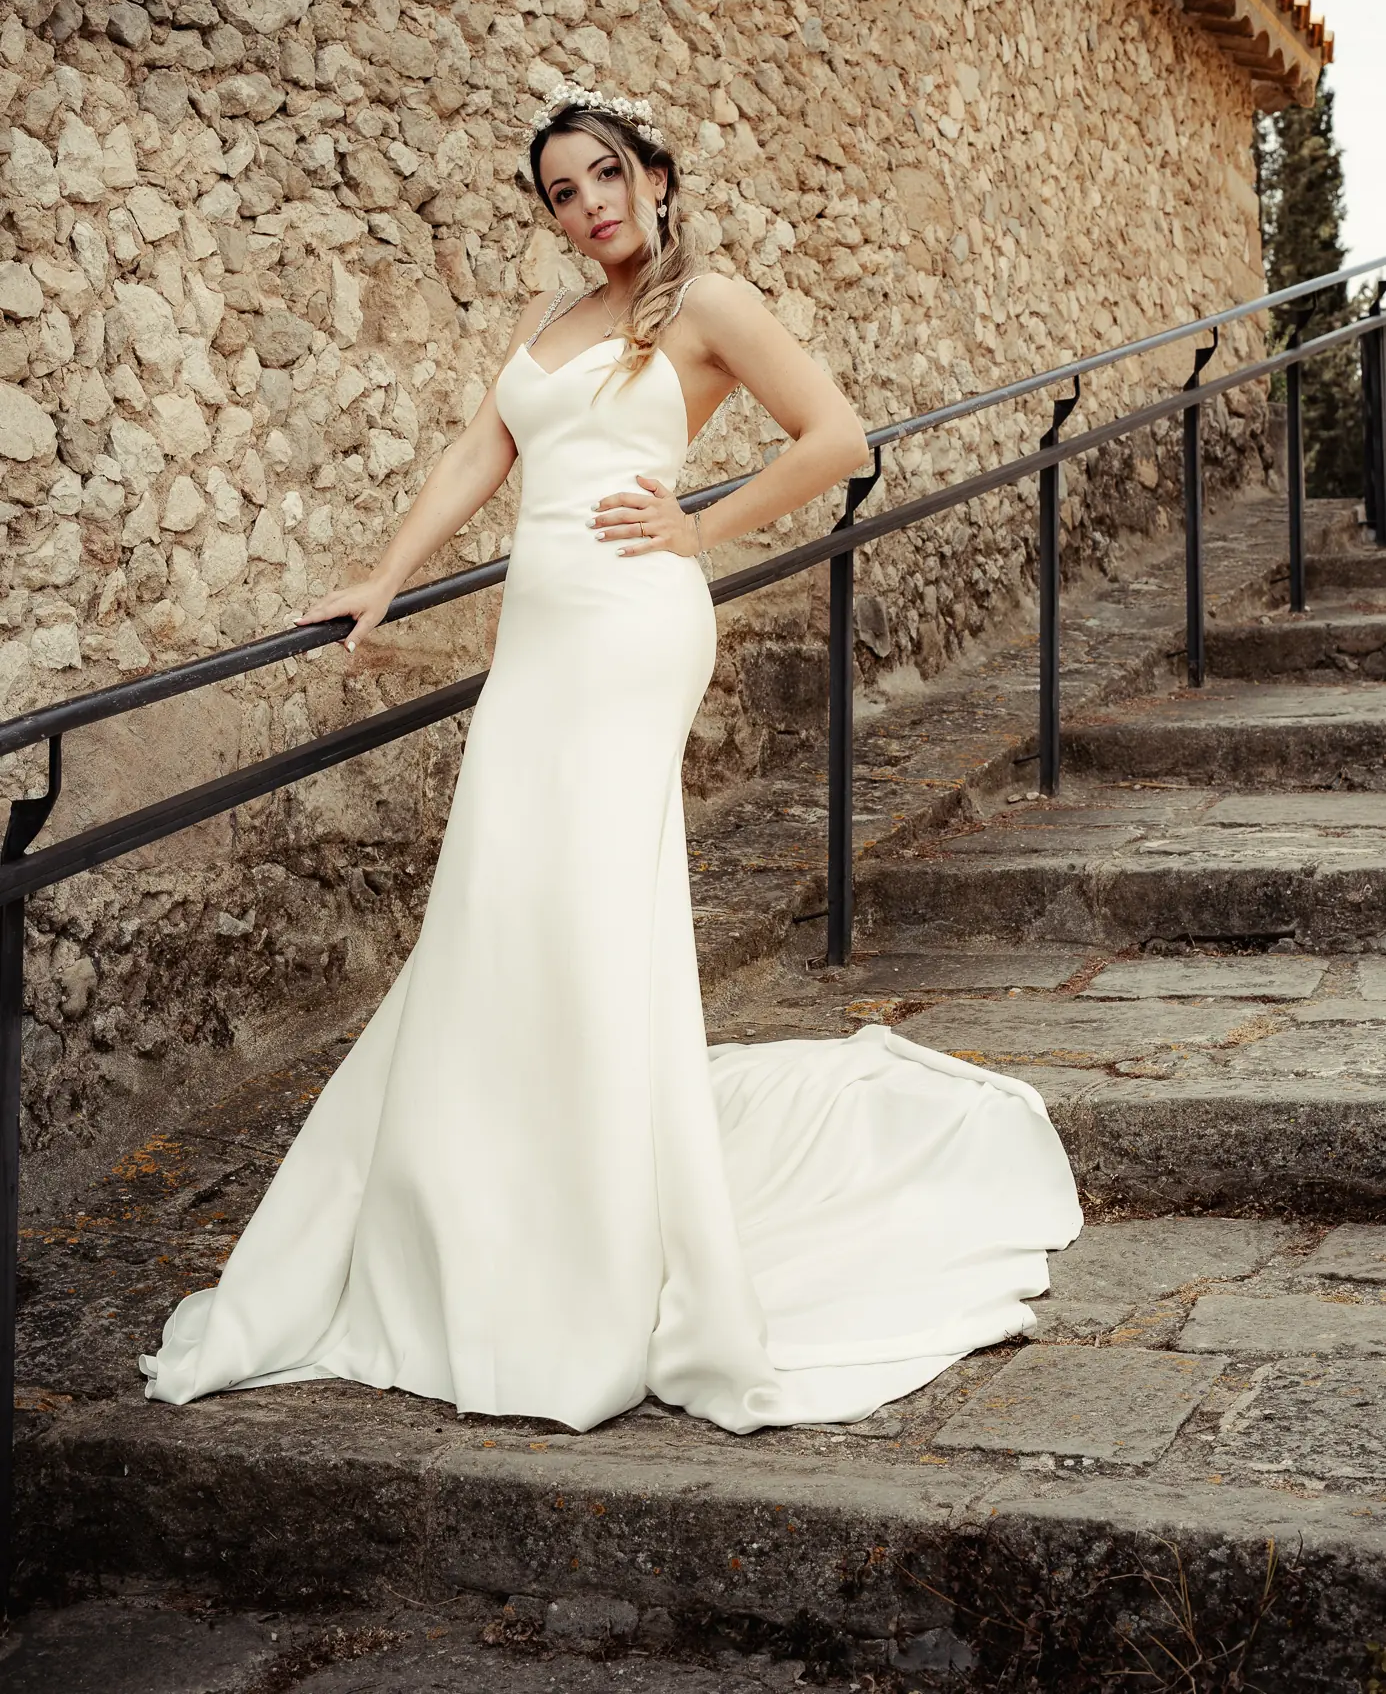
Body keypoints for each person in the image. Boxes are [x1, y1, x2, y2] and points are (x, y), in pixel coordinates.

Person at [140, 82, 1080, 1432]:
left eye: (602, 176)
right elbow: (486, 447)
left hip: (633, 630)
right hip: (540, 640)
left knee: (582, 914)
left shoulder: (707, 304)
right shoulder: (551, 320)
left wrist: (704, 527)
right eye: (560, 194)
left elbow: (838, 438)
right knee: (495, 907)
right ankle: (473, 1216)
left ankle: (583, 1255)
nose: (587, 207)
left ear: (653, 172)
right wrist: (382, 580)